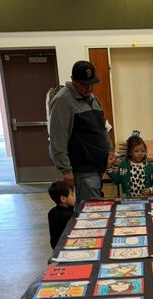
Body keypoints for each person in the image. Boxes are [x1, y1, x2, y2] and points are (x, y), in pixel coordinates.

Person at [47, 60, 114, 204]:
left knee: (96, 207)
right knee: (92, 210)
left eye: (91, 84)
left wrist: (110, 150)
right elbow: (58, 139)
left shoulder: (93, 98)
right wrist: (66, 170)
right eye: (84, 84)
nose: (89, 88)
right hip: (82, 168)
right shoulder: (63, 101)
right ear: (73, 80)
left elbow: (102, 128)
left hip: (97, 165)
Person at [47, 179, 77, 249]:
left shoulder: (52, 212)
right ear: (63, 199)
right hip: (66, 246)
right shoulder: (69, 215)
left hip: (55, 245)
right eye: (72, 195)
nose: (74, 197)